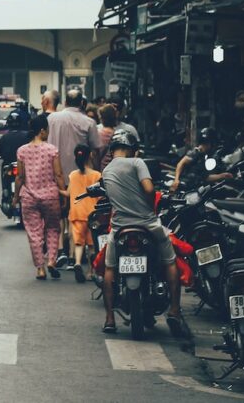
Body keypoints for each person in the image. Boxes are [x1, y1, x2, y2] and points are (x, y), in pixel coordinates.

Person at [101, 130, 187, 336]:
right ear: (132, 150)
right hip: (148, 224)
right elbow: (149, 189)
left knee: (109, 268)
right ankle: (174, 310)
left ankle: (110, 318)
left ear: (112, 150)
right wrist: (148, 206)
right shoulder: (137, 163)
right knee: (170, 261)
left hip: (120, 227)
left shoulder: (105, 171)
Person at [47, 89, 101, 265]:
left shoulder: (52, 119)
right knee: (76, 214)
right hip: (80, 176)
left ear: (65, 102)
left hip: (54, 174)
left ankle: (61, 250)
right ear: (81, 103)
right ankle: (74, 254)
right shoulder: (89, 122)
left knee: (59, 215)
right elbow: (96, 150)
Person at [14, 115, 68, 280]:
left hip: (29, 197)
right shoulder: (52, 150)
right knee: (53, 228)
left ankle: (40, 269)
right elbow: (58, 174)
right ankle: (51, 260)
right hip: (50, 195)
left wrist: (16, 197)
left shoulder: (22, 150)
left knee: (34, 233)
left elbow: (20, 177)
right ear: (42, 130)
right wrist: (63, 193)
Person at [67, 144, 102, 283]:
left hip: (76, 213)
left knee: (78, 243)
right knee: (92, 245)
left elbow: (68, 193)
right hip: (93, 214)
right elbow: (100, 195)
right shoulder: (97, 175)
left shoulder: (72, 175)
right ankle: (91, 272)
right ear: (90, 156)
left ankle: (77, 263)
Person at [170, 127, 233, 192]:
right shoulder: (196, 152)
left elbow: (204, 177)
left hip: (195, 187)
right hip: (187, 186)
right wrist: (176, 180)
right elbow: (181, 163)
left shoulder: (205, 156)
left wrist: (222, 176)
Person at [97, 104, 118, 168]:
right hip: (114, 168)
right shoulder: (116, 133)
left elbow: (97, 154)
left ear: (103, 118)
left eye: (100, 116)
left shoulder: (101, 133)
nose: (99, 118)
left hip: (103, 167)